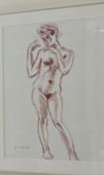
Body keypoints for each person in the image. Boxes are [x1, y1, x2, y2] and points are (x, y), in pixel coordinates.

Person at [25, 22, 79, 161]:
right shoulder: (43, 52)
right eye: (43, 36)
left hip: (54, 92)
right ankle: (46, 150)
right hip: (39, 90)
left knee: (58, 122)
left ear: (56, 35)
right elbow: (31, 72)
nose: (46, 39)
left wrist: (56, 52)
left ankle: (72, 153)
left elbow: (65, 70)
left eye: (50, 35)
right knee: (42, 119)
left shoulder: (68, 53)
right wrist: (30, 51)